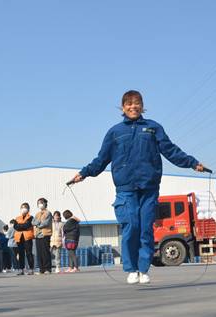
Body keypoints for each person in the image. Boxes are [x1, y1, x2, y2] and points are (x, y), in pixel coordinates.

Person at [71, 90, 206, 284]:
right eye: (129, 104)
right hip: (125, 188)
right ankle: (131, 269)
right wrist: (84, 173)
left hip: (149, 186)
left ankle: (143, 269)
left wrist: (192, 163)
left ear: (142, 106)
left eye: (137, 103)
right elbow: (102, 159)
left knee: (145, 229)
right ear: (123, 107)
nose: (133, 106)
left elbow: (170, 150)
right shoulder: (115, 132)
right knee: (131, 227)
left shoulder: (153, 128)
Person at [32, 197, 52, 275]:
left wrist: (38, 224)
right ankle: (41, 269)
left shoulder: (48, 213)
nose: (39, 204)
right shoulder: (37, 214)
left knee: (45, 252)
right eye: (38, 203)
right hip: (37, 235)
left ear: (44, 203)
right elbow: (33, 222)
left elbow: (46, 223)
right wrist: (39, 221)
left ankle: (47, 268)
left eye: (40, 203)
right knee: (39, 253)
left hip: (45, 234)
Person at [14, 203, 35, 275]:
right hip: (19, 237)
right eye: (22, 207)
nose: (23, 209)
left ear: (28, 209)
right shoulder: (17, 218)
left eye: (25, 207)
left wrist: (20, 225)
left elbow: (28, 225)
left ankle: (31, 269)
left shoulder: (31, 217)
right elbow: (15, 226)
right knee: (21, 253)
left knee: (29, 253)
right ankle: (21, 269)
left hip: (27, 237)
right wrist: (23, 226)